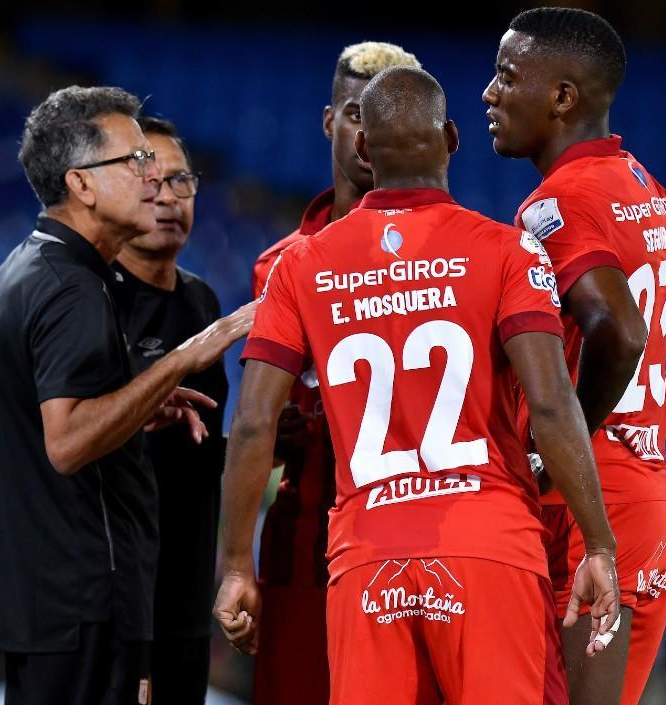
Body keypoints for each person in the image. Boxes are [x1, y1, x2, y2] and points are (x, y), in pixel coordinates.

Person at [215, 66, 619, 705]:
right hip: (489, 548)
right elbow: (550, 402)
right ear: (453, 138)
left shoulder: (299, 266)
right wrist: (598, 542)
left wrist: (237, 566)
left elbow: (255, 423)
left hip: (366, 556)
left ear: (364, 150)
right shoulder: (508, 251)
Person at [482, 8, 666, 704]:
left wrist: (563, 441)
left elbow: (621, 331)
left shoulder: (559, 202)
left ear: (562, 96)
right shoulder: (640, 185)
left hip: (590, 498)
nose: (489, 92)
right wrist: (654, 427)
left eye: (508, 76)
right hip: (643, 494)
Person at [0, 85, 254, 705]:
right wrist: (184, 357)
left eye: (167, 171)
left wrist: (145, 404)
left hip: (61, 602)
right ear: (82, 184)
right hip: (84, 600)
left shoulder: (36, 268)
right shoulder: (72, 285)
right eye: (135, 162)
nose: (151, 179)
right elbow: (68, 442)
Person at [248, 40, 421, 705]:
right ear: (330, 121)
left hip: (415, 540)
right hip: (307, 541)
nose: (369, 133)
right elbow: (263, 421)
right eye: (356, 112)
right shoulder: (280, 264)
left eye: (386, 118)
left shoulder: (453, 252)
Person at [112, 116, 228, 704]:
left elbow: (201, 444)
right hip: (115, 602)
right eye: (151, 183)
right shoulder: (91, 301)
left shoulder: (201, 300)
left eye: (181, 182)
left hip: (186, 591)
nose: (168, 200)